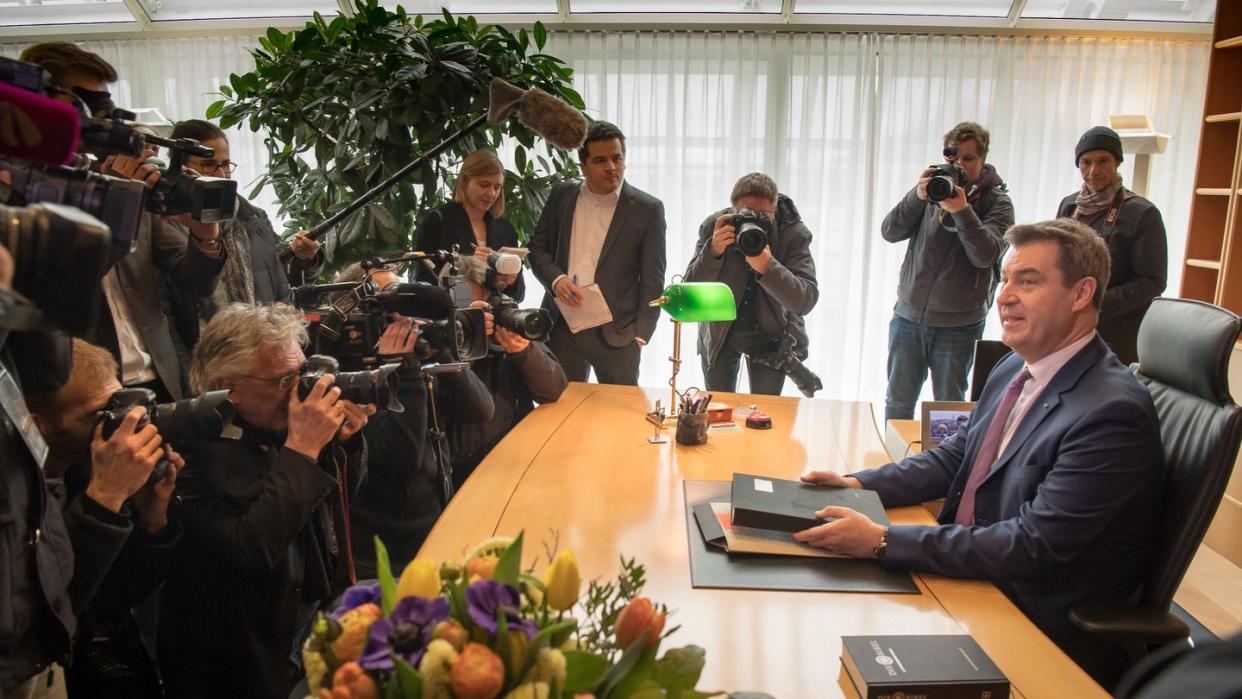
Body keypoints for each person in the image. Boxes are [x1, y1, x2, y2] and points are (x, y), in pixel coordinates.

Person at [796, 218, 1163, 688]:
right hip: (971, 577)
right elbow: (956, 458)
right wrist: (860, 484)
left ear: (1081, 293)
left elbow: (1033, 545)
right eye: (1005, 280)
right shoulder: (1015, 366)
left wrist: (884, 541)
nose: (1004, 297)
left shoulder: (1110, 413)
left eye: (1027, 282)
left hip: (1028, 619)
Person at [156, 303, 391, 699]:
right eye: (286, 380)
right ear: (229, 385)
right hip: (240, 663)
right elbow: (250, 548)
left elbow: (338, 503)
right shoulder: (185, 450)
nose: (301, 389)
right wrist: (303, 448)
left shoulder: (278, 422)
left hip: (309, 621)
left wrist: (345, 444)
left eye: (302, 371)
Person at [19, 42, 226, 402]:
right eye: (89, 103)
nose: (104, 118)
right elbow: (61, 290)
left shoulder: (131, 188)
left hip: (158, 377)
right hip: (78, 391)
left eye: (106, 103)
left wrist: (205, 237)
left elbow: (193, 280)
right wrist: (119, 200)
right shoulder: (22, 192)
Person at [26, 340, 182, 699]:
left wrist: (151, 518)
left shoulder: (87, 473)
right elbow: (51, 612)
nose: (118, 429)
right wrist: (105, 500)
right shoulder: (18, 498)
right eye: (99, 415)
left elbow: (117, 596)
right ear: (37, 425)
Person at [326, 263, 495, 575]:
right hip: (380, 552)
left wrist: (441, 349)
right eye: (388, 304)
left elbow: (480, 411)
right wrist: (404, 370)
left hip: (435, 521)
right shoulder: (351, 374)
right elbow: (403, 457)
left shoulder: (420, 351)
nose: (403, 314)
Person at [881, 121, 1015, 420]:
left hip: (959, 326)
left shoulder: (998, 202)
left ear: (983, 159)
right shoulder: (932, 190)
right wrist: (917, 196)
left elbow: (985, 255)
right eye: (953, 158)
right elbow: (889, 231)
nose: (960, 165)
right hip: (908, 317)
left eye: (969, 158)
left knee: (948, 411)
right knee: (898, 402)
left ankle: (942, 467)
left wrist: (962, 211)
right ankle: (892, 463)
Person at [163, 119, 324, 350]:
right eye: (209, 165)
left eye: (226, 164)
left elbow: (282, 288)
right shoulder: (166, 226)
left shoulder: (253, 219)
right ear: (181, 168)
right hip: (204, 359)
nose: (221, 173)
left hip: (263, 353)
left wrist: (306, 258)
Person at [528, 121, 667, 386]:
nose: (611, 167)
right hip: (562, 328)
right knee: (562, 412)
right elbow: (537, 249)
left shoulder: (648, 209)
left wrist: (643, 331)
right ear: (584, 166)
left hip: (619, 334)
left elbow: (653, 276)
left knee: (617, 419)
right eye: (601, 160)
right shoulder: (562, 194)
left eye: (617, 158)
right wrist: (557, 281)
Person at [684, 173, 818, 395]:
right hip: (720, 330)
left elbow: (805, 300)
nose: (754, 222)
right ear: (732, 211)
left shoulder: (792, 233)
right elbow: (690, 292)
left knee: (765, 413)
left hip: (771, 334)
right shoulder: (715, 227)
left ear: (775, 210)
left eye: (763, 216)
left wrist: (768, 267)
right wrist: (713, 251)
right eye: (746, 215)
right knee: (719, 406)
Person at [448, 255, 567, 488]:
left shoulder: (508, 327)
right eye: (471, 306)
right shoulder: (437, 345)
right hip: (459, 470)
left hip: (513, 459)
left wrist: (524, 351)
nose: (485, 314)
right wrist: (463, 339)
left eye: (488, 303)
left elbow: (555, 389)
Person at [1057, 125, 1168, 365]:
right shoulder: (1069, 205)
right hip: (1069, 328)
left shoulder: (1142, 213)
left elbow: (1153, 282)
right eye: (1086, 162)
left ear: (1117, 162)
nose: (1093, 171)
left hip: (1117, 334)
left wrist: (1093, 304)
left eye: (1103, 161)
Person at [413, 148, 525, 302]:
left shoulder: (506, 229)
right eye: (484, 185)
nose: (492, 193)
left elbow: (518, 296)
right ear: (464, 180)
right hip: (453, 321)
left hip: (497, 320)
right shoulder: (437, 222)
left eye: (497, 187)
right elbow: (421, 284)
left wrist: (508, 276)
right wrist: (468, 266)